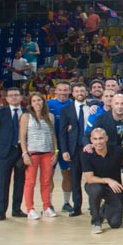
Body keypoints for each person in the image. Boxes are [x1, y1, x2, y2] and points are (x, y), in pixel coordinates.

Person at [19, 93, 59, 220]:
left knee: (46, 181)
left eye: (40, 100)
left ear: (43, 102)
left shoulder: (50, 116)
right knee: (30, 181)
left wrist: (56, 151)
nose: (37, 103)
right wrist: (24, 153)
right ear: (31, 103)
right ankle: (30, 208)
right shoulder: (26, 116)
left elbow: (53, 135)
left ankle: (46, 207)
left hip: (47, 152)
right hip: (32, 153)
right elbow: (22, 136)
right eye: (35, 100)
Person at [58, 83, 95, 217]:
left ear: (87, 92)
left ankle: (94, 206)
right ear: (72, 93)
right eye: (77, 91)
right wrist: (64, 150)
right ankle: (77, 206)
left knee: (93, 177)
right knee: (75, 179)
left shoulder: (93, 107)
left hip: (91, 147)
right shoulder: (66, 109)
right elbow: (62, 132)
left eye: (82, 90)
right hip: (74, 148)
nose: (80, 93)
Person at [81, 128, 123, 233]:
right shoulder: (86, 154)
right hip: (95, 184)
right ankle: (96, 222)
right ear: (91, 140)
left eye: (101, 138)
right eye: (95, 139)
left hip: (114, 187)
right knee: (96, 190)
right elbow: (89, 178)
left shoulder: (117, 151)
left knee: (115, 224)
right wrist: (108, 180)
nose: (98, 142)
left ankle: (103, 210)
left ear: (106, 138)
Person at [47, 82, 73, 211]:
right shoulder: (48, 104)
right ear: (55, 91)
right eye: (60, 90)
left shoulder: (73, 105)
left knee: (67, 175)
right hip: (51, 146)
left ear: (70, 91)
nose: (62, 93)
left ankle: (66, 203)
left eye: (65, 90)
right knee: (48, 175)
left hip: (67, 146)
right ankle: (48, 204)